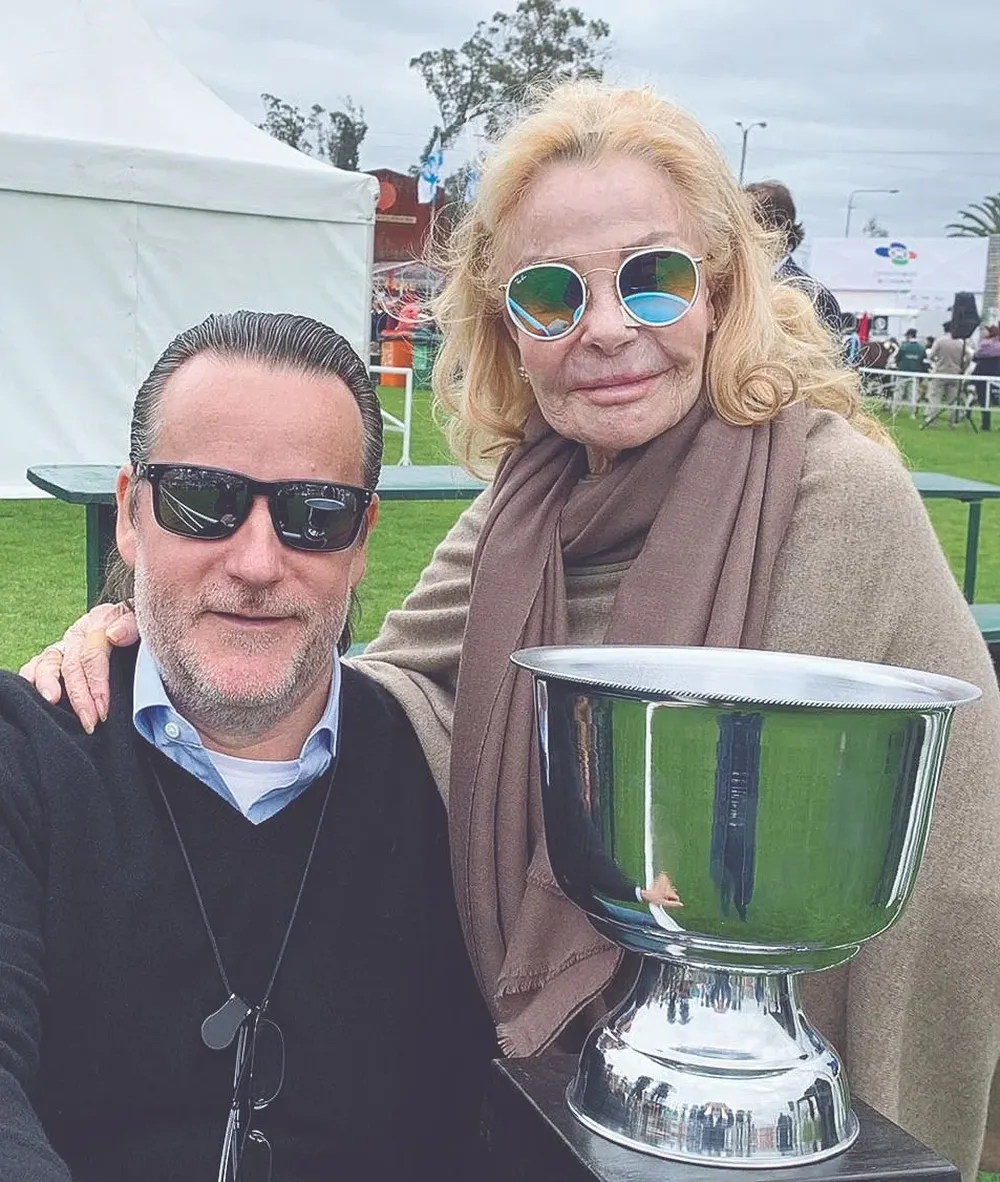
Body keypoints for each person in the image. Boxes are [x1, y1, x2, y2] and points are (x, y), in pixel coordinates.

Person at [20, 83, 1000, 1179]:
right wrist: (147, 620)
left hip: (779, 1081)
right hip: (558, 1100)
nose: (608, 328)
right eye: (551, 293)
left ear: (718, 290)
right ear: (505, 327)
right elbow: (375, 683)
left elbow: (955, 875)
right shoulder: (522, 515)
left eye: (653, 279)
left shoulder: (834, 497)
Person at [1, 311, 492, 1180]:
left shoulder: (451, 776)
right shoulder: (25, 759)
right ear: (129, 513)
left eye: (315, 513)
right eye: (204, 500)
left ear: (364, 540)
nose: (258, 561)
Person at [744, 179, 843, 336]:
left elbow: (827, 358)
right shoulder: (735, 284)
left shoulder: (813, 297)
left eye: (745, 222)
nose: (736, 232)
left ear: (777, 225)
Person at [926, 321, 970, 426]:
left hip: (940, 372)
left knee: (935, 397)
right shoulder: (960, 342)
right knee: (953, 399)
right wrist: (963, 367)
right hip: (955, 373)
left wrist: (937, 360)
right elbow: (969, 355)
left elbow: (931, 356)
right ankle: (953, 421)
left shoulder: (940, 341)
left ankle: (932, 420)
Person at [971, 323, 1000, 431]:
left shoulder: (984, 345)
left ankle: (985, 424)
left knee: (983, 400)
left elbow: (975, 357)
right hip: (996, 373)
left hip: (982, 373)